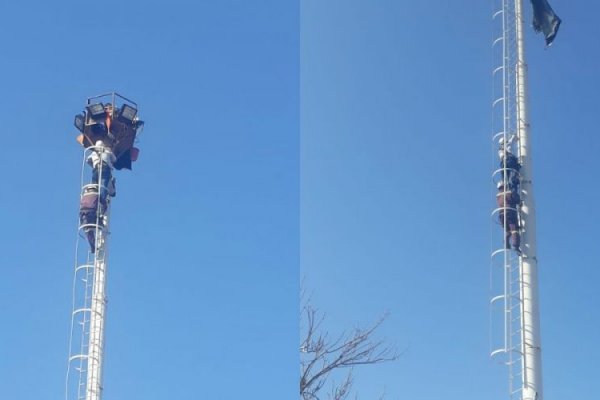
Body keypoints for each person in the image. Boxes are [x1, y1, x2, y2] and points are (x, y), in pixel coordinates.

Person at [87, 141, 116, 205]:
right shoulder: (107, 151)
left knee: (94, 185)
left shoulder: (93, 153)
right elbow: (114, 159)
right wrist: (110, 152)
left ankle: (93, 199)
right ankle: (102, 201)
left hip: (95, 170)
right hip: (105, 169)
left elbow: (87, 160)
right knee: (103, 186)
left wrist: (93, 165)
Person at [496, 182, 521, 253]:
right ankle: (516, 245)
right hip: (510, 213)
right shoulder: (509, 192)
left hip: (501, 215)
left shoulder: (498, 196)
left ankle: (506, 244)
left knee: (507, 230)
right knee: (514, 229)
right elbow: (517, 200)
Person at [79, 186, 105, 253]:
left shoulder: (83, 196)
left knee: (87, 230)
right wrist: (102, 213)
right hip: (91, 213)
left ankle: (93, 247)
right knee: (100, 224)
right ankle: (102, 229)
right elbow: (104, 204)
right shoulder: (97, 195)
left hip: (83, 215)